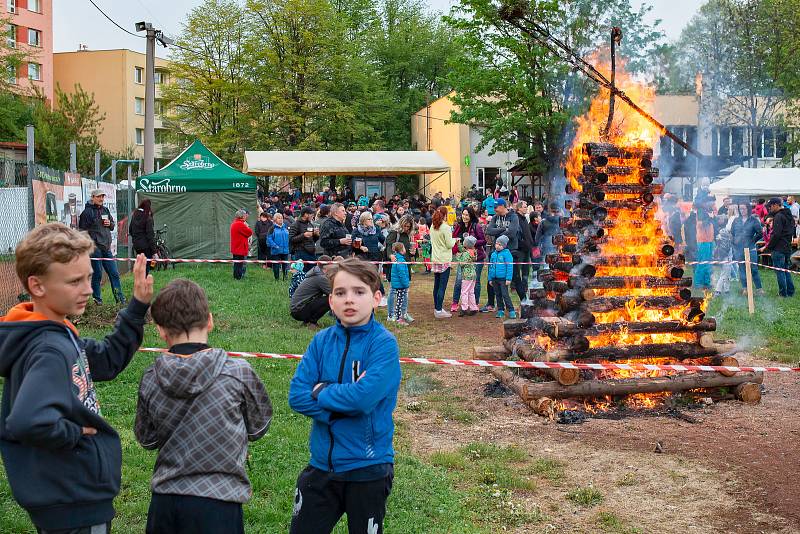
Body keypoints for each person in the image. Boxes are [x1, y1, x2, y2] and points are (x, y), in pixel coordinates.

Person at [0, 224, 153, 534]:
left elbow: (107, 359)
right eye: (74, 281)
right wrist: (74, 433)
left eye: (87, 277)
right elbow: (27, 421)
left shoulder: (52, 333)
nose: (87, 289)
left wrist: (136, 308)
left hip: (68, 497)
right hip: (74, 499)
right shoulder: (50, 348)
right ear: (37, 286)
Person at [134, 279, 272, 534]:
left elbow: (147, 438)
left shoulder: (151, 376)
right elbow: (259, 426)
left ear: (161, 331)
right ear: (209, 320)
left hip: (166, 502)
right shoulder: (239, 372)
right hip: (220, 503)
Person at [288, 258, 401, 534]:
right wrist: (345, 404)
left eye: (359, 292)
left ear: (376, 298)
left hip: (368, 468)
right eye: (340, 293)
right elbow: (298, 395)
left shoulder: (383, 345)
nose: (349, 300)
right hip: (321, 467)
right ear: (330, 301)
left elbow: (363, 399)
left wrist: (323, 390)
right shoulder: (321, 341)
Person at [79, 188, 125, 304]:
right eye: (99, 197)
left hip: (106, 247)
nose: (101, 199)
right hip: (95, 248)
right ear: (93, 197)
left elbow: (113, 225)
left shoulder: (105, 209)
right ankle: (97, 300)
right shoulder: (87, 213)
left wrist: (110, 224)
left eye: (103, 197)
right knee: (97, 275)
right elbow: (82, 231)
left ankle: (120, 299)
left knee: (114, 273)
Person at [450, 207, 486, 312]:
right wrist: (457, 247)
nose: (464, 217)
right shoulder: (458, 227)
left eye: (467, 215)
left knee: (476, 281)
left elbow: (483, 241)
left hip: (476, 258)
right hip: (463, 259)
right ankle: (455, 302)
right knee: (458, 281)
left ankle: (475, 304)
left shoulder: (476, 226)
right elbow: (454, 239)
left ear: (471, 216)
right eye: (463, 214)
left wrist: (472, 243)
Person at [760, 197, 795, 297]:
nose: (769, 208)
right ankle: (790, 292)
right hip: (787, 247)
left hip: (779, 248)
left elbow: (776, 235)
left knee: (780, 271)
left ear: (776, 205)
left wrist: (768, 247)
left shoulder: (779, 216)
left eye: (770, 206)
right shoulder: (788, 214)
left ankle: (783, 294)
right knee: (786, 270)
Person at [290, 255, 336, 327]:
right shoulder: (320, 278)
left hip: (297, 309)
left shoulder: (316, 274)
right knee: (332, 299)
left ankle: (307, 321)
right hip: (299, 311)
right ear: (327, 266)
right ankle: (312, 322)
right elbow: (333, 293)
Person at [430, 206, 458, 319]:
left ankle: (437, 307)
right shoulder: (445, 227)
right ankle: (438, 309)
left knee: (436, 285)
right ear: (445, 215)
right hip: (444, 259)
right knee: (442, 286)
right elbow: (449, 244)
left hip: (435, 258)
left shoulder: (433, 226)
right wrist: (455, 240)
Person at [731, 202, 764, 296]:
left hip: (751, 248)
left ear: (748, 209)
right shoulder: (736, 220)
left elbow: (760, 233)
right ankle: (745, 288)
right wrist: (734, 242)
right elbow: (732, 233)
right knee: (741, 269)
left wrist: (752, 241)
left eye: (744, 208)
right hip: (738, 249)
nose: (742, 211)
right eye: (740, 209)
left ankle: (759, 289)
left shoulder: (753, 220)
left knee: (753, 268)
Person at [488, 234, 515, 318]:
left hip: (503, 279)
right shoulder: (493, 254)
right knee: (498, 295)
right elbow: (490, 266)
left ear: (504, 246)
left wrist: (508, 278)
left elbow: (509, 267)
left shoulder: (507, 254)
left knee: (505, 294)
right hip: (494, 278)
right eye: (497, 243)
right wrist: (490, 278)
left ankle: (511, 310)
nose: (497, 246)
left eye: (500, 244)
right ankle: (500, 310)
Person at [129, 199, 156, 275]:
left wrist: (136, 238)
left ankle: (139, 280)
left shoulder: (134, 216)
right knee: (147, 266)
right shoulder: (148, 218)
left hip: (137, 245)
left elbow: (130, 230)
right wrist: (154, 251)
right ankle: (144, 282)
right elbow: (150, 236)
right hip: (146, 246)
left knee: (140, 264)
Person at [454, 235, 479, 316]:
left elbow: (462, 264)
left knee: (464, 292)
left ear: (467, 244)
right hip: (473, 275)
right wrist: (458, 244)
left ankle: (464, 308)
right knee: (471, 292)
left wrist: (458, 257)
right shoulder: (473, 251)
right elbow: (463, 250)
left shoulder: (465, 254)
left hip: (467, 275)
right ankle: (473, 308)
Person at [388, 242, 411, 325]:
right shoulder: (400, 260)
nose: (405, 249)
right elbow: (402, 274)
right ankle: (398, 319)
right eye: (404, 248)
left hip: (398, 284)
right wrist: (406, 284)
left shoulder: (398, 258)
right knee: (399, 302)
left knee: (399, 300)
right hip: (400, 285)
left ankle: (399, 316)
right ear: (401, 250)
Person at [290, 207, 319, 271]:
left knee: (312, 274)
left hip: (311, 252)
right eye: (311, 214)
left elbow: (312, 240)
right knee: (302, 275)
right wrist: (304, 235)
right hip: (301, 252)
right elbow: (291, 239)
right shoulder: (295, 224)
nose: (313, 216)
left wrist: (316, 235)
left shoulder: (310, 224)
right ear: (306, 214)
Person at [230, 209, 253, 280]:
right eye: (244, 215)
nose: (246, 216)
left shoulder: (234, 223)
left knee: (237, 263)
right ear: (242, 216)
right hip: (240, 247)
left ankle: (236, 277)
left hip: (236, 247)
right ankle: (238, 277)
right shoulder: (240, 224)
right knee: (239, 264)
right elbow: (249, 232)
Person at [268, 213, 290, 281]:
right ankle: (276, 278)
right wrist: (274, 245)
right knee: (276, 265)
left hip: (285, 250)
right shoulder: (272, 228)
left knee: (285, 265)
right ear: (275, 219)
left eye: (281, 218)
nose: (281, 219)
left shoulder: (285, 227)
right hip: (276, 250)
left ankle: (285, 277)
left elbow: (289, 237)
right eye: (279, 218)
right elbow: (269, 238)